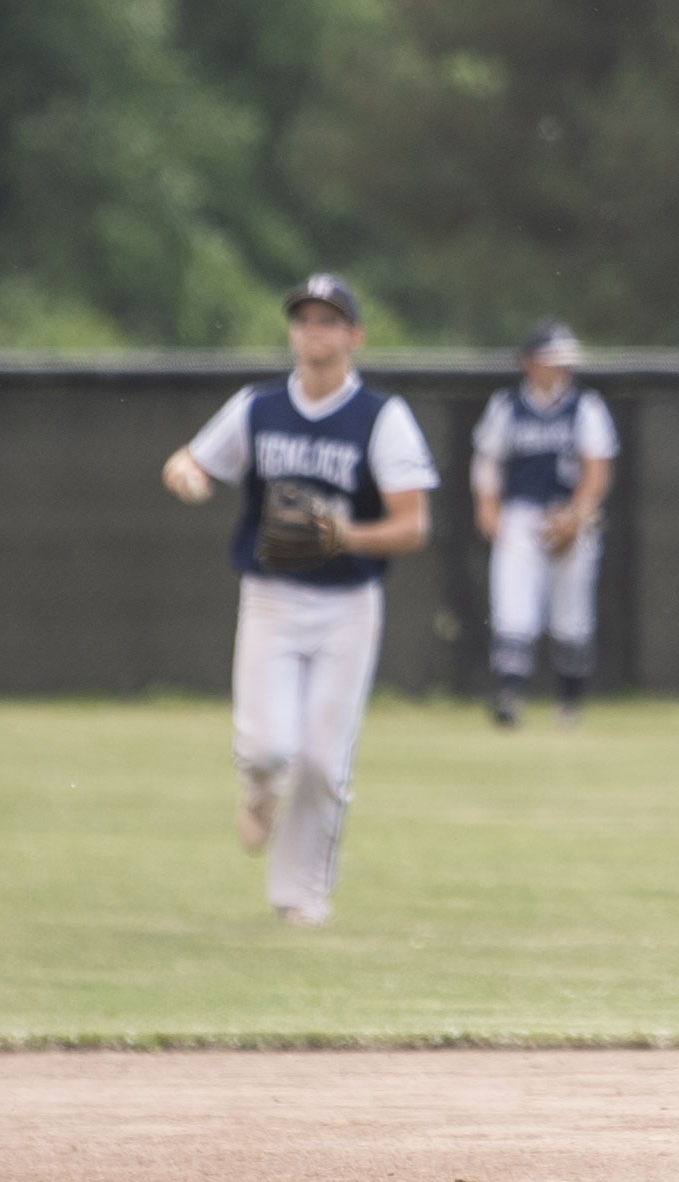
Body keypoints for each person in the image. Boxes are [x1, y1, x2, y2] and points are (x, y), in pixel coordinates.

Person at [160, 273, 439, 926]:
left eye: (328, 320)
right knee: (266, 749)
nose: (313, 331)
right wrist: (186, 474)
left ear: (354, 336)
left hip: (348, 603)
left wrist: (347, 534)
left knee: (321, 759)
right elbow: (193, 461)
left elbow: (414, 525)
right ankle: (258, 792)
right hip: (272, 598)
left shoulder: (380, 417)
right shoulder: (257, 408)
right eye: (304, 319)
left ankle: (300, 896)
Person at [470, 320, 619, 728]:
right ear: (529, 363)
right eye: (552, 360)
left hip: (569, 514)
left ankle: (569, 704)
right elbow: (488, 461)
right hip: (521, 514)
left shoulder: (585, 406)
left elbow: (597, 468)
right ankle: (508, 695)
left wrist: (578, 514)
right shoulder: (507, 406)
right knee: (513, 607)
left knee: (572, 613)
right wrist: (488, 508)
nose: (561, 368)